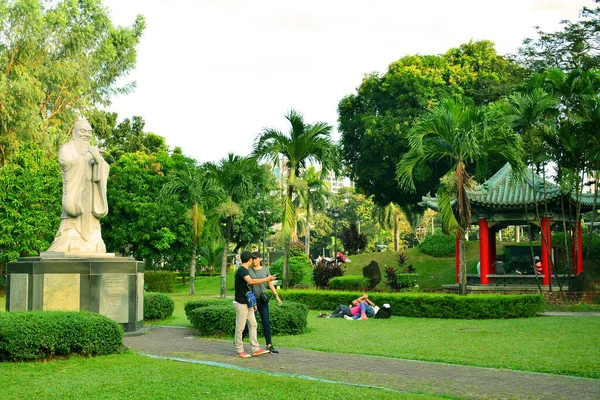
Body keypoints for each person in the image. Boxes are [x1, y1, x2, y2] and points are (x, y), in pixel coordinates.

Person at [46, 119, 109, 254]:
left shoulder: (92, 150)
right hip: (76, 193)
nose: (87, 135)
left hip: (91, 193)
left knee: (93, 224)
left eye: (89, 132)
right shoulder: (67, 148)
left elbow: (104, 167)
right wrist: (87, 158)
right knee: (72, 228)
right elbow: (66, 162)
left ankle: (94, 239)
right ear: (74, 133)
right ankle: (72, 236)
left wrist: (98, 160)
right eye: (83, 131)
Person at [234, 250, 276, 358]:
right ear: (250, 260)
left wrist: (253, 302)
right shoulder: (242, 270)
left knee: (253, 324)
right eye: (252, 259)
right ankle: (239, 350)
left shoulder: (246, 270)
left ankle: (255, 348)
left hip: (248, 303)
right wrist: (267, 279)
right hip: (241, 303)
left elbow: (247, 289)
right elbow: (251, 282)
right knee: (240, 327)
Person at [243, 251, 282, 354]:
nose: (254, 260)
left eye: (256, 258)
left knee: (266, 322)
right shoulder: (249, 270)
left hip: (263, 300)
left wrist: (276, 296)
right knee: (250, 323)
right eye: (253, 258)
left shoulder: (265, 270)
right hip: (253, 301)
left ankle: (269, 345)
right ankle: (239, 340)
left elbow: (270, 284)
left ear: (260, 259)